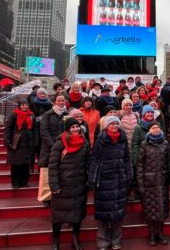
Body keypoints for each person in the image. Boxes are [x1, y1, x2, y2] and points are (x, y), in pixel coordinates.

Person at [89, 116, 133, 250]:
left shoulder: (123, 139)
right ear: (106, 126)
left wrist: (129, 176)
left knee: (118, 214)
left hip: (119, 180)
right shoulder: (101, 140)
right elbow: (94, 159)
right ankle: (102, 242)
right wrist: (93, 178)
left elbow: (127, 159)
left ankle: (116, 241)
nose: (114, 126)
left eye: (116, 124)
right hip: (104, 181)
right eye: (112, 124)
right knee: (103, 214)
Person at [49, 117, 89, 250]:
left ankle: (75, 239)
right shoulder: (59, 144)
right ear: (67, 129)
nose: (76, 129)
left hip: (78, 184)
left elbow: (87, 164)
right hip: (63, 185)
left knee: (77, 215)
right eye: (72, 127)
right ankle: (56, 242)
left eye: (77, 126)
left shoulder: (84, 143)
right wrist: (54, 185)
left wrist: (88, 181)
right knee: (58, 215)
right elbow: (53, 166)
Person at [136, 122, 170, 246]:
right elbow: (140, 165)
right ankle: (152, 234)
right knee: (150, 210)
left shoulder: (165, 143)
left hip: (162, 182)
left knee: (162, 210)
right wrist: (140, 184)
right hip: (149, 182)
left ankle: (160, 233)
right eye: (153, 127)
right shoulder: (144, 144)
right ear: (149, 130)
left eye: (158, 127)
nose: (156, 129)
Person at [39, 94, 68, 207]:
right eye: (59, 100)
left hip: (63, 148)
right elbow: (44, 131)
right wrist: (54, 145)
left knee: (59, 173)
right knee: (48, 173)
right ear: (55, 102)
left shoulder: (66, 114)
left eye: (63, 100)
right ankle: (46, 198)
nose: (61, 102)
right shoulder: (48, 114)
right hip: (49, 149)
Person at [4, 99, 35, 189]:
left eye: (26, 105)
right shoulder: (13, 115)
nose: (25, 106)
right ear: (19, 106)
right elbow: (8, 129)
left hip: (27, 142)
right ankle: (15, 183)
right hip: (16, 142)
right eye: (23, 105)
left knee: (26, 164)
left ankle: (24, 182)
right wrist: (7, 140)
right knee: (16, 164)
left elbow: (34, 129)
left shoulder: (31, 115)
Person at [29, 87, 52, 172]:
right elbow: (31, 114)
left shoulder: (50, 104)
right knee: (33, 148)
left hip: (45, 128)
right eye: (40, 94)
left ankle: (40, 166)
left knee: (42, 149)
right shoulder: (33, 103)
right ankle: (31, 166)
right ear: (37, 95)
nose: (42, 95)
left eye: (43, 94)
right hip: (35, 128)